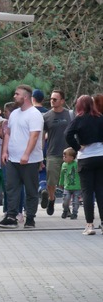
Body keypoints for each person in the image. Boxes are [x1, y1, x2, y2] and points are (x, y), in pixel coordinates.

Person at [0, 84, 44, 229]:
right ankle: (11, 216)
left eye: (17, 94)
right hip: (13, 159)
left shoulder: (34, 114)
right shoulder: (15, 114)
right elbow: (8, 134)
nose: (14, 96)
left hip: (29, 160)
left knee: (30, 189)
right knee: (11, 188)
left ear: (25, 97)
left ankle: (30, 218)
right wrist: (4, 152)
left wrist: (26, 154)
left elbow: (34, 136)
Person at [64, 94, 103, 236]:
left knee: (87, 192)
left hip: (86, 158)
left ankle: (89, 225)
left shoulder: (78, 120)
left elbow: (67, 134)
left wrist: (77, 147)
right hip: (101, 157)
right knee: (100, 191)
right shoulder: (100, 118)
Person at [41, 89, 74, 216]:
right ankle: (51, 199)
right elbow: (42, 137)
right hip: (53, 153)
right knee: (51, 182)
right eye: (51, 99)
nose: (52, 101)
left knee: (68, 182)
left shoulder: (70, 115)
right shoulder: (46, 117)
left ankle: (67, 207)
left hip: (69, 154)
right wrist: (40, 155)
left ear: (62, 101)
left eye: (55, 99)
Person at [59, 147, 81, 220]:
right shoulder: (64, 165)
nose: (64, 158)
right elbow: (62, 175)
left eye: (65, 157)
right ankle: (65, 210)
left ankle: (74, 213)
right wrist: (61, 182)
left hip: (77, 187)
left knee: (76, 201)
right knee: (66, 200)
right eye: (63, 156)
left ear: (72, 158)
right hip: (67, 187)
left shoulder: (76, 164)